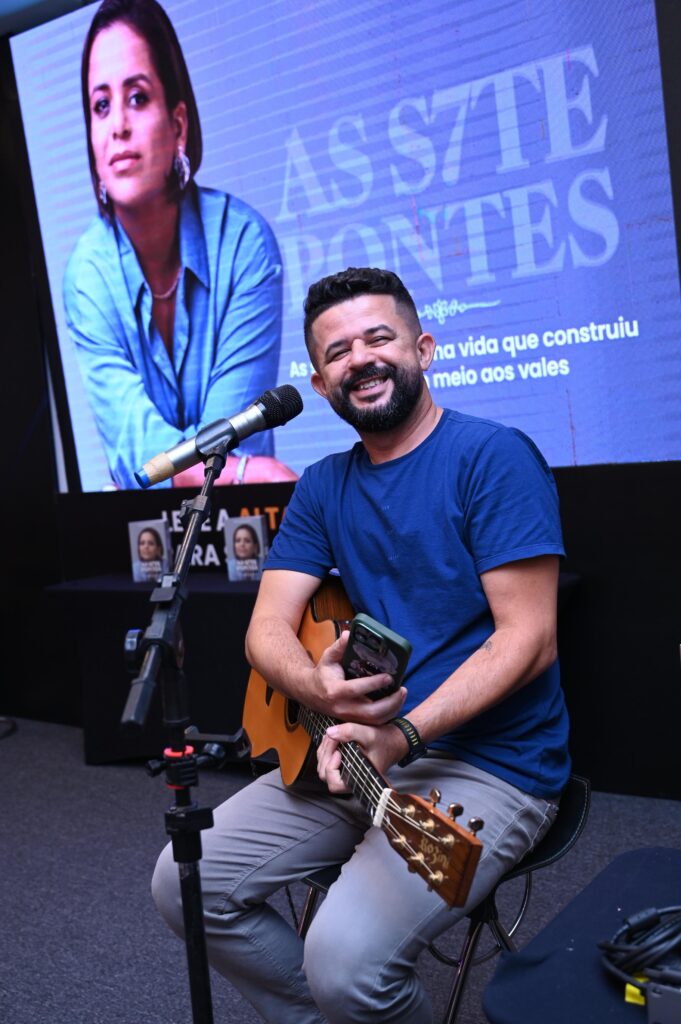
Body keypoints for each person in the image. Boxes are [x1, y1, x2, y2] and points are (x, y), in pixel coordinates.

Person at [152, 266, 570, 1023]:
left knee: (344, 964)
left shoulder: (493, 456)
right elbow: (265, 630)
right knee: (186, 882)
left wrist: (400, 734)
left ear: (423, 349)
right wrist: (319, 689)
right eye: (338, 351)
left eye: (379, 338)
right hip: (361, 753)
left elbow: (530, 640)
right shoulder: (321, 485)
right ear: (319, 384)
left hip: (492, 765)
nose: (361, 359)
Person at [63, 0, 297, 490]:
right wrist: (237, 471)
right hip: (141, 528)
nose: (117, 126)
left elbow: (225, 447)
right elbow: (140, 457)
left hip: (239, 523)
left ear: (178, 126)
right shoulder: (87, 273)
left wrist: (218, 469)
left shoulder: (244, 244)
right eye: (101, 106)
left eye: (137, 98)